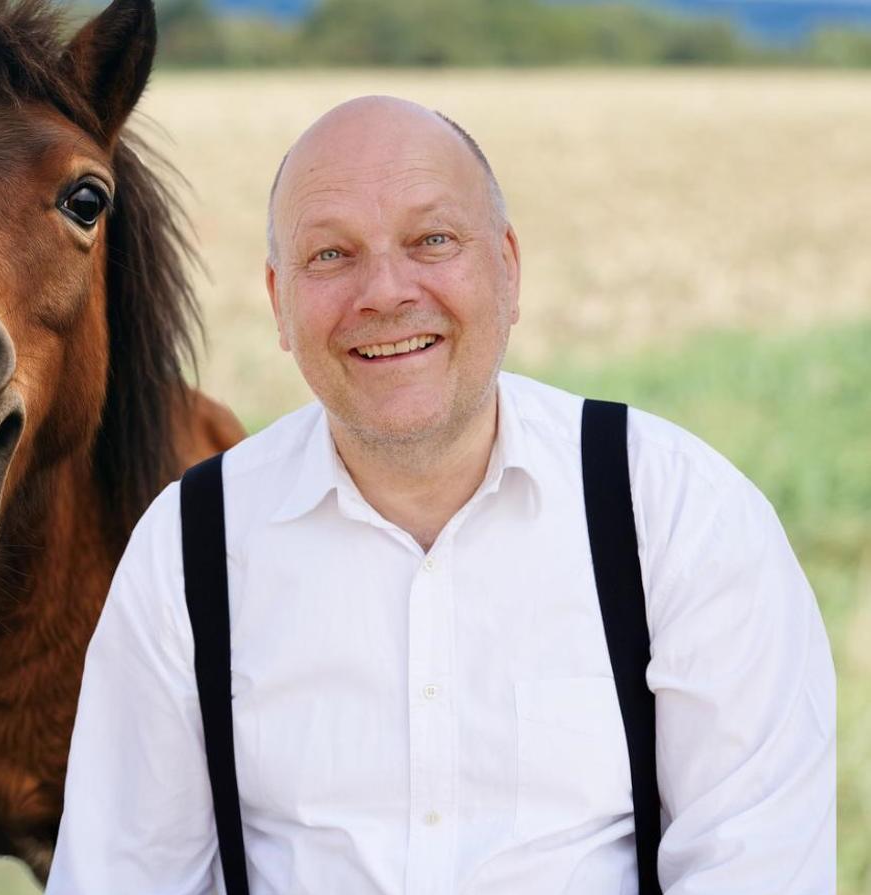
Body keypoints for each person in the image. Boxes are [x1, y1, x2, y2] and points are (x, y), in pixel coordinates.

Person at [47, 96, 834, 894]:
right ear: (279, 300)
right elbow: (121, 878)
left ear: (508, 268)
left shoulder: (679, 517)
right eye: (331, 254)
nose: (385, 292)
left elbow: (756, 866)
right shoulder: (187, 547)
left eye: (431, 241)